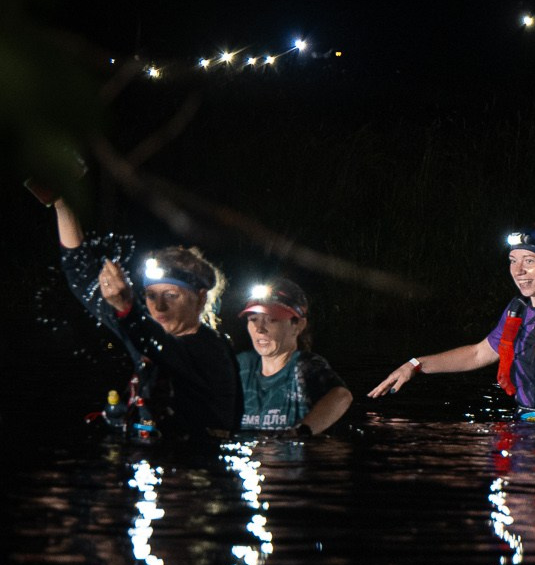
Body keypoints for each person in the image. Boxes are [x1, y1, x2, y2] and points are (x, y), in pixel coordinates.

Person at [369, 225, 535, 425]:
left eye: (529, 261)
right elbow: (478, 353)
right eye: (513, 261)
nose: (517, 270)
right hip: (523, 427)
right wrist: (415, 365)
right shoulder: (517, 312)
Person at [43, 185, 240, 437]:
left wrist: (127, 308)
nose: (158, 307)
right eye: (150, 296)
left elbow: (158, 346)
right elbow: (81, 275)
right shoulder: (142, 331)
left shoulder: (211, 350)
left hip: (198, 467)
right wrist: (62, 203)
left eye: (171, 296)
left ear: (200, 299)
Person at [235, 278, 352, 434]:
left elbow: (341, 396)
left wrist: (299, 433)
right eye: (253, 319)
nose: (259, 329)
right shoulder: (242, 366)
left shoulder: (304, 367)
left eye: (272, 320)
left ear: (298, 325)